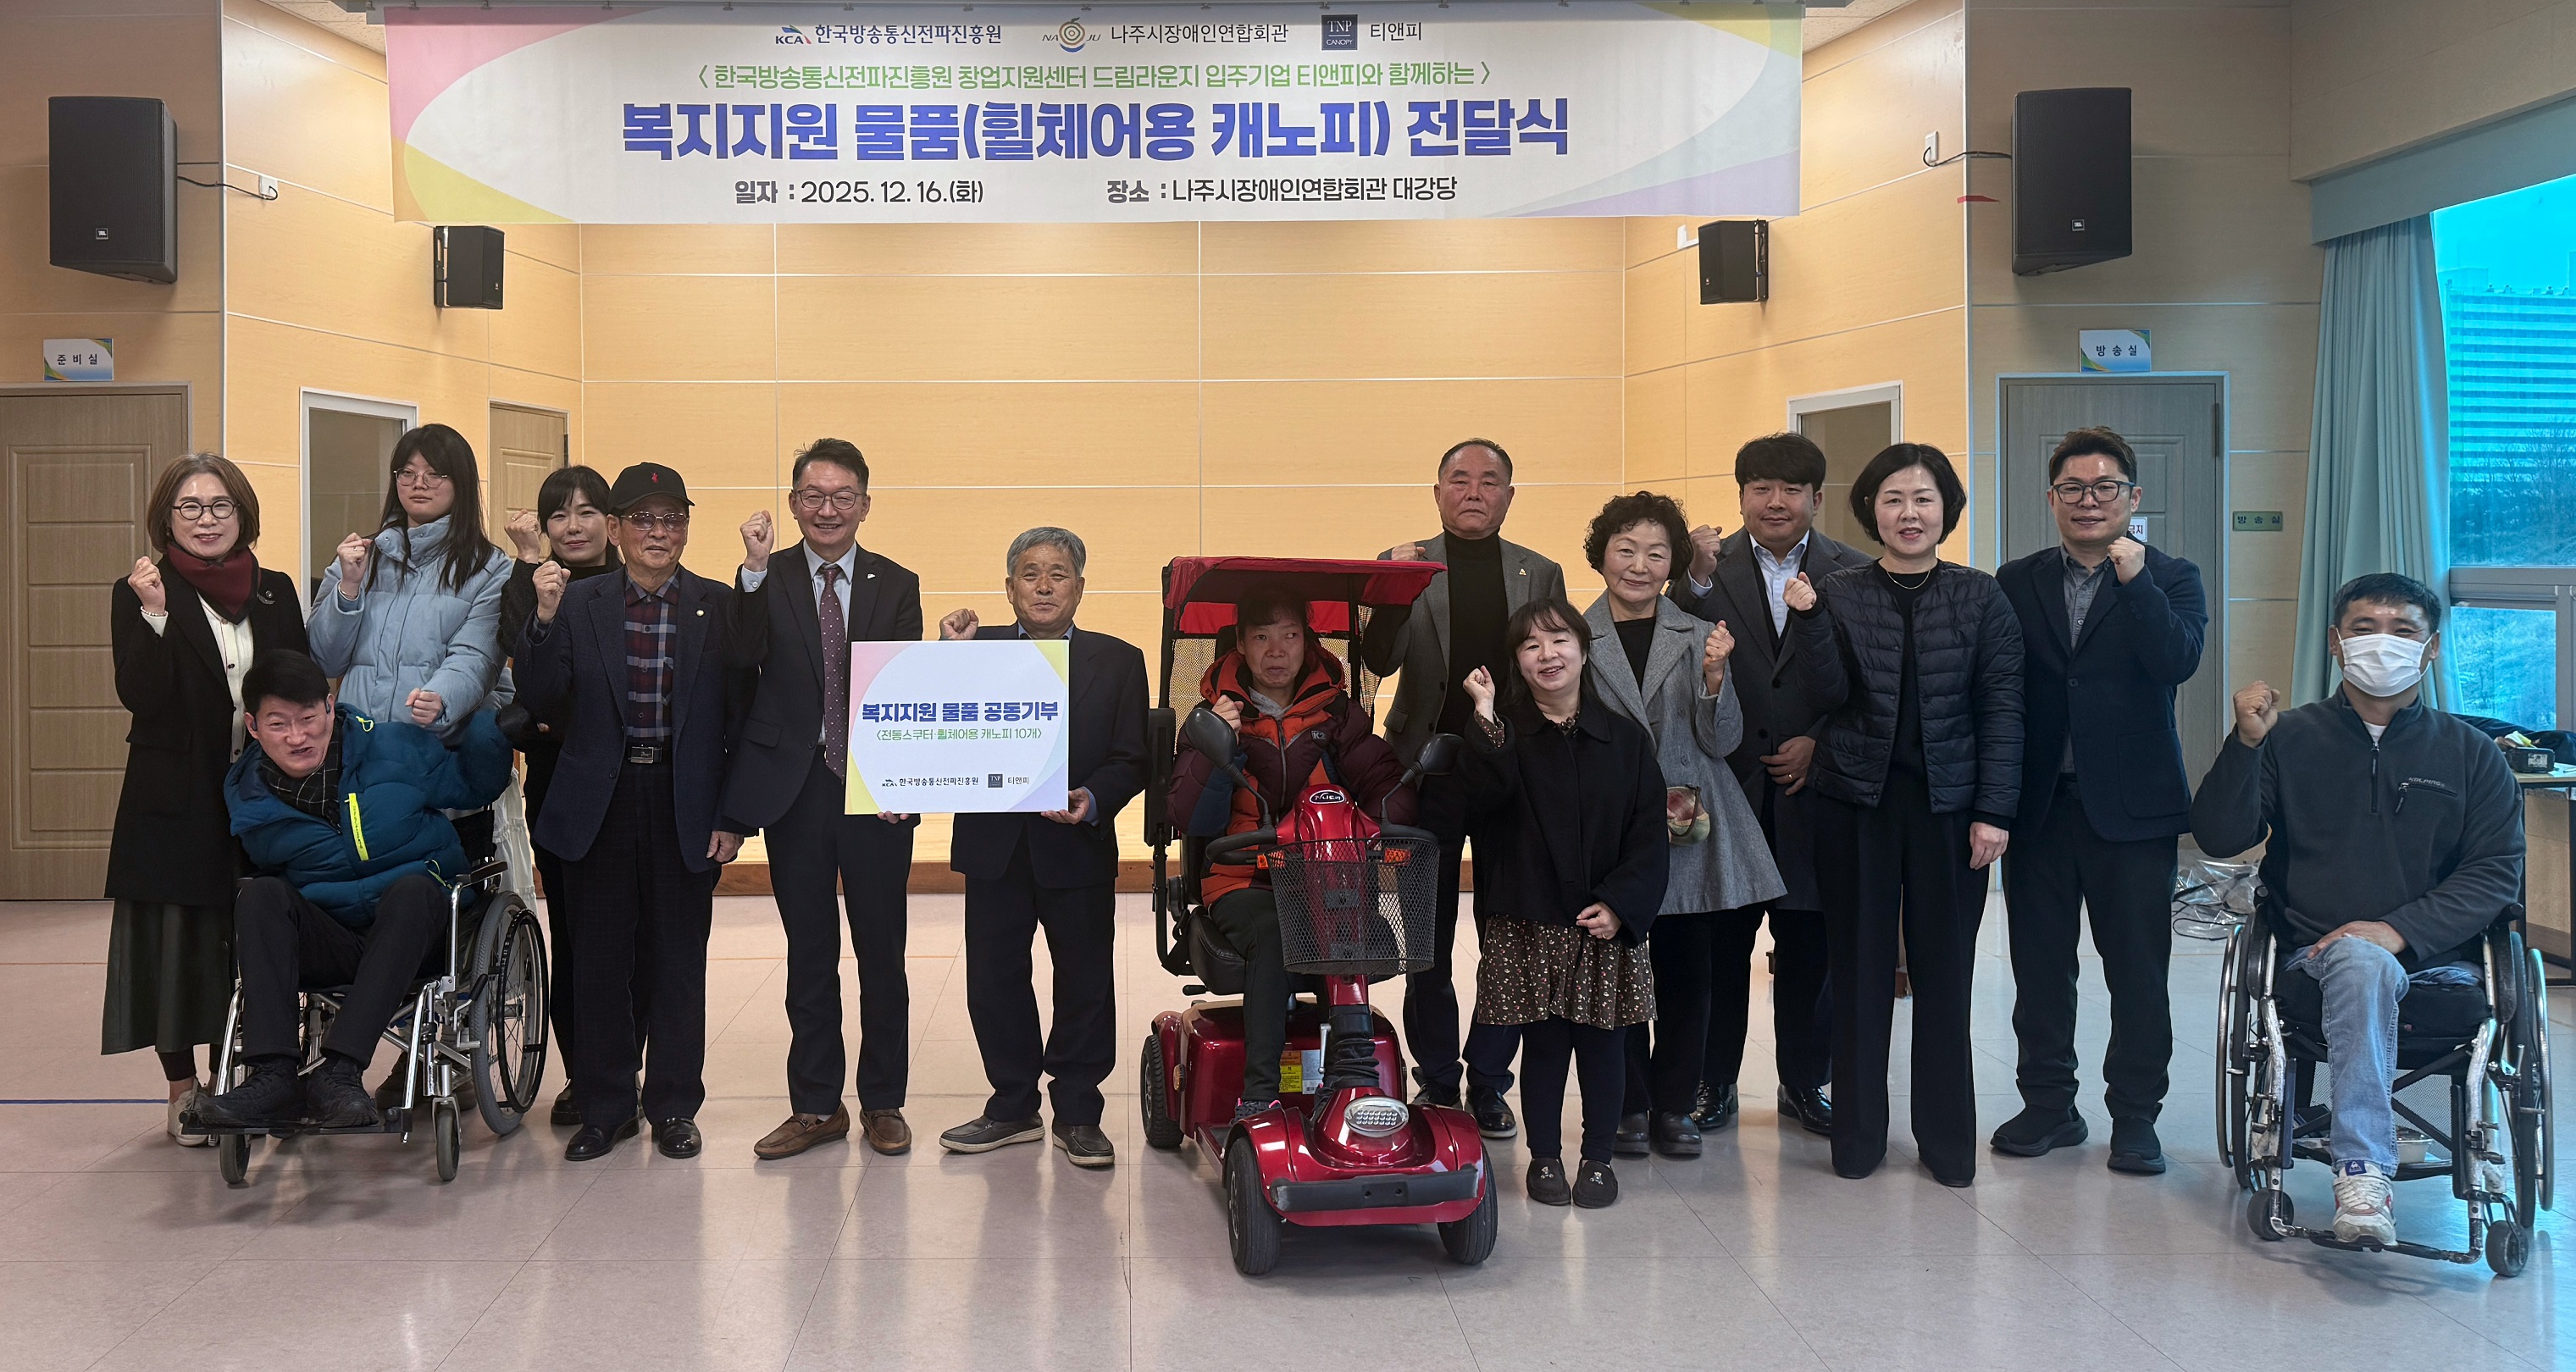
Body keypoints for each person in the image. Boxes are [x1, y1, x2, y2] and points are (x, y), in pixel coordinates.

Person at [2193, 573, 2521, 1248]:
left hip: (2435, 961)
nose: (2383, 643)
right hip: (2307, 956)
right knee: (2356, 963)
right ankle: (2364, 1169)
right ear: (2336, 644)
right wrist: (2245, 744)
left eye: (2402, 631)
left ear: (2429, 651)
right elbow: (2222, 837)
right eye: (2365, 628)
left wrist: (2398, 931)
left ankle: (2362, 1161)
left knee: (2367, 958)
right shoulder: (2289, 738)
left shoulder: (2470, 755)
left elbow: (2495, 873)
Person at [1784, 443, 2024, 1186]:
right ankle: (1856, 1140)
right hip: (1855, 804)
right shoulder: (1839, 589)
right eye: (1892, 500)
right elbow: (1820, 696)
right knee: (1857, 974)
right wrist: (1811, 620)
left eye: (1922, 499)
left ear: (1945, 510)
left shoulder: (1982, 597)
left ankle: (1947, 1143)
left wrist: (1994, 811)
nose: (1908, 513)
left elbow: (2004, 710)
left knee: (1944, 976)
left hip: (1952, 815)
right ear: (1870, 512)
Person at [517, 462, 754, 1162]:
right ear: (615, 530)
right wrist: (542, 618)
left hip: (685, 802)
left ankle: (674, 1106)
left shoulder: (716, 605)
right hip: (598, 802)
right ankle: (606, 1107)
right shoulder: (581, 602)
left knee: (678, 963)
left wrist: (733, 816)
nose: (660, 532)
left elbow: (739, 719)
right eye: (643, 520)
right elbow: (539, 695)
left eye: (672, 518)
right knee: (595, 962)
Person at [1992, 427, 2208, 1176]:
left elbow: (2175, 661)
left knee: (2137, 973)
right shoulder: (2013, 580)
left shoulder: (2173, 578)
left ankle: (2136, 1116)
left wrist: (2135, 582)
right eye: (2073, 490)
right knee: (2041, 968)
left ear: (2132, 497)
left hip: (2135, 812)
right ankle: (2048, 1105)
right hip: (2041, 806)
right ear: (2051, 499)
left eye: (2105, 487)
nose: (2089, 501)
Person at [192, 650, 511, 1130]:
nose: (297, 737)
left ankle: (341, 1073)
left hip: (420, 937)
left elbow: (471, 784)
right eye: (279, 724)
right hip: (335, 939)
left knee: (413, 890)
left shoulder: (394, 748)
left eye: (308, 719)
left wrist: (491, 728)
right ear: (254, 728)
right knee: (258, 897)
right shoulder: (248, 796)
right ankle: (274, 1076)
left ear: (331, 705)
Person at [724, 438, 926, 1160]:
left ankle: (882, 1102)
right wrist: (748, 570)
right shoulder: (764, 577)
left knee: (882, 954)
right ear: (792, 504)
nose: (828, 509)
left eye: (843, 497)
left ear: (865, 505)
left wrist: (900, 781)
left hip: (874, 792)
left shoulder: (895, 582)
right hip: (795, 790)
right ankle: (815, 1106)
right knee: (810, 953)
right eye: (813, 496)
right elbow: (740, 660)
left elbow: (901, 686)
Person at [1360, 438, 1567, 1137]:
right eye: (1459, 479)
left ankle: (1489, 1081)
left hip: (1515, 776)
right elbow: (1375, 661)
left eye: (1489, 481)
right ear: (1437, 491)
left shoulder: (1540, 572)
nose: (1473, 491)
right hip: (1426, 773)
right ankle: (1437, 1080)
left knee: (1508, 936)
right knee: (1427, 940)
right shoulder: (1406, 566)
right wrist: (1387, 595)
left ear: (1510, 494)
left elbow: (1561, 672)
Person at [104, 454, 308, 1146]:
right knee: (177, 948)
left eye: (220, 506)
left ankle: (250, 1079)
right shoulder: (139, 592)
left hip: (261, 797)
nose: (206, 520)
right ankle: (185, 1090)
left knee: (249, 941)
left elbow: (300, 689)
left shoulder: (276, 591)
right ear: (167, 518)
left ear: (241, 513)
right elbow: (142, 696)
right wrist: (157, 617)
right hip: (173, 800)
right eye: (189, 508)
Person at [1669, 432, 1870, 1136]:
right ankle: (1713, 1082)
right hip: (1726, 787)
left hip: (1812, 789)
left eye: (1790, 489)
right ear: (1741, 496)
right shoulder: (1699, 572)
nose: (1774, 500)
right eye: (1759, 487)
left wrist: (1820, 740)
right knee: (1719, 946)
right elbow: (1673, 651)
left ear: (1817, 498)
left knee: (1809, 944)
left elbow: (1867, 684)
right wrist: (1688, 580)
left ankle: (1803, 1082)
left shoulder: (1854, 570)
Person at [1576, 492, 1787, 1161]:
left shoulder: (1700, 635)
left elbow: (1723, 741)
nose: (1638, 565)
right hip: (1605, 824)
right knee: (1614, 971)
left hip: (1685, 817)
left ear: (1673, 564)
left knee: (1685, 972)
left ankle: (1674, 1106)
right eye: (1625, 549)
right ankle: (1628, 1106)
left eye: (1655, 553)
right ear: (1601, 554)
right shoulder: (1572, 636)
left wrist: (1716, 679)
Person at [933, 528, 1150, 1168]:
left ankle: (1080, 1112)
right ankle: (1012, 1106)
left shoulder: (1118, 659)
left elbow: (1131, 758)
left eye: (1059, 573)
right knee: (993, 980)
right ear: (1009, 589)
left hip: (1074, 844)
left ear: (1080, 587)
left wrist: (1091, 797)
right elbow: (934, 726)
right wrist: (947, 658)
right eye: (1030, 573)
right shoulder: (973, 649)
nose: (1045, 585)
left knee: (1084, 982)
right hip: (993, 845)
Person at [1167, 587, 1415, 1119]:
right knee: (1278, 931)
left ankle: (1353, 1083)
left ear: (1309, 642)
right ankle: (1258, 1095)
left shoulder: (1338, 715)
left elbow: (1386, 784)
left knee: (1349, 924)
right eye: (1261, 637)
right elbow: (1189, 816)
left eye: (1289, 635)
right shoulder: (1212, 718)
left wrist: (1389, 825)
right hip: (1242, 877)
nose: (1276, 650)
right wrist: (1218, 749)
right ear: (1240, 643)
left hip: (1328, 877)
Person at [1456, 599, 1668, 1208]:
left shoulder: (1624, 739)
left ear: (1583, 648)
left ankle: (1598, 1158)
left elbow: (1648, 833)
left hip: (1601, 922)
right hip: (1529, 917)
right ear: (1515, 663)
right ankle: (1544, 1158)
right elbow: (1484, 803)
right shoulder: (1504, 736)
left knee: (1604, 1048)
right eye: (1530, 646)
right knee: (1543, 1047)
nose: (1546, 655)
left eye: (1558, 641)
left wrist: (1622, 906)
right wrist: (1486, 718)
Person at [497, 465, 623, 1128]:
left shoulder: (637, 581)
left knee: (635, 938)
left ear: (610, 519)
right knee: (573, 936)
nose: (572, 526)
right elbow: (528, 671)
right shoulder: (539, 582)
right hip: (559, 782)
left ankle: (630, 1066)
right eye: (558, 515)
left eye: (585, 512)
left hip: (632, 780)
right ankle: (582, 1075)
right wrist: (527, 565)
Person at [307, 422, 512, 742]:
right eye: (408, 473)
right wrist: (347, 589)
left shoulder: (489, 567)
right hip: (357, 740)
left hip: (436, 745)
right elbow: (326, 660)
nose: (419, 484)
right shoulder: (362, 555)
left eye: (435, 474)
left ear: (461, 482)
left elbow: (477, 657)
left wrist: (441, 697)